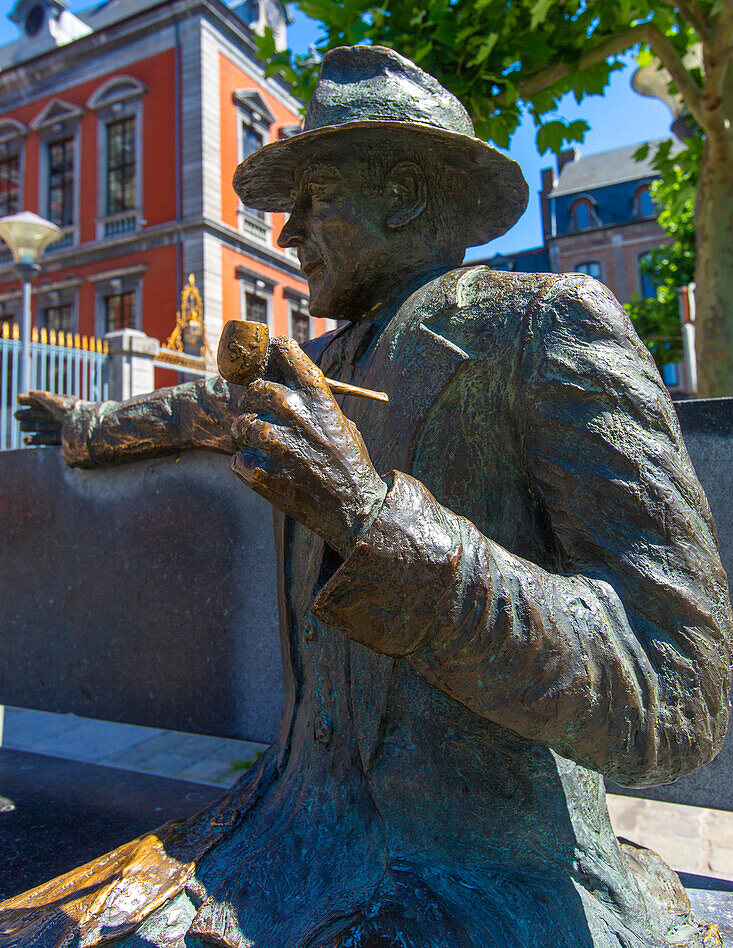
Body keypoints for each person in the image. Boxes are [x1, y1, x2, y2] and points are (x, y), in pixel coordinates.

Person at [3, 46, 730, 948]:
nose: (284, 233)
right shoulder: (328, 362)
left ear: (401, 193)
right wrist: (84, 425)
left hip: (476, 880)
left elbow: (677, 696)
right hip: (283, 833)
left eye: (311, 199)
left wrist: (373, 525)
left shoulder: (543, 326)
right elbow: (204, 406)